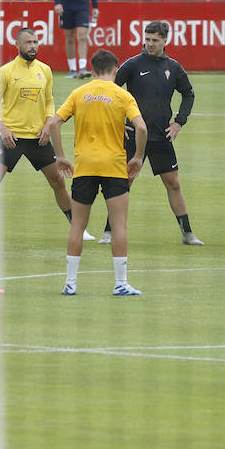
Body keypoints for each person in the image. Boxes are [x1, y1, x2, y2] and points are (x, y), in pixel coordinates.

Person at [47, 49, 147, 297]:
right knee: (119, 224)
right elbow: (142, 128)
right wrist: (137, 157)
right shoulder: (123, 96)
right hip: (113, 165)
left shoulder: (79, 93)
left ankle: (70, 284)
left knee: (78, 225)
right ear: (115, 70)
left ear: (91, 71)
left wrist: (60, 156)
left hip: (85, 166)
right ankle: (121, 283)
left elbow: (54, 123)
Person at [105, 20, 203, 246]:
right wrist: (118, 121)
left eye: (154, 40)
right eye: (147, 39)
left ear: (165, 40)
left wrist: (178, 122)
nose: (149, 44)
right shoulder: (132, 65)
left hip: (161, 137)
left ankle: (187, 234)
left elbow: (188, 94)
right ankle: (109, 232)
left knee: (174, 183)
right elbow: (110, 91)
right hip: (133, 136)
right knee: (124, 183)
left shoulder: (174, 67)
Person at [0, 27, 93, 241]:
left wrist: (48, 124)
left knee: (58, 181)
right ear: (17, 45)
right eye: (28, 42)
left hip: (39, 139)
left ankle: (78, 228)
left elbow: (49, 101)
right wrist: (3, 128)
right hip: (12, 139)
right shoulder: (6, 71)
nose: (32, 46)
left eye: (36, 42)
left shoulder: (45, 70)